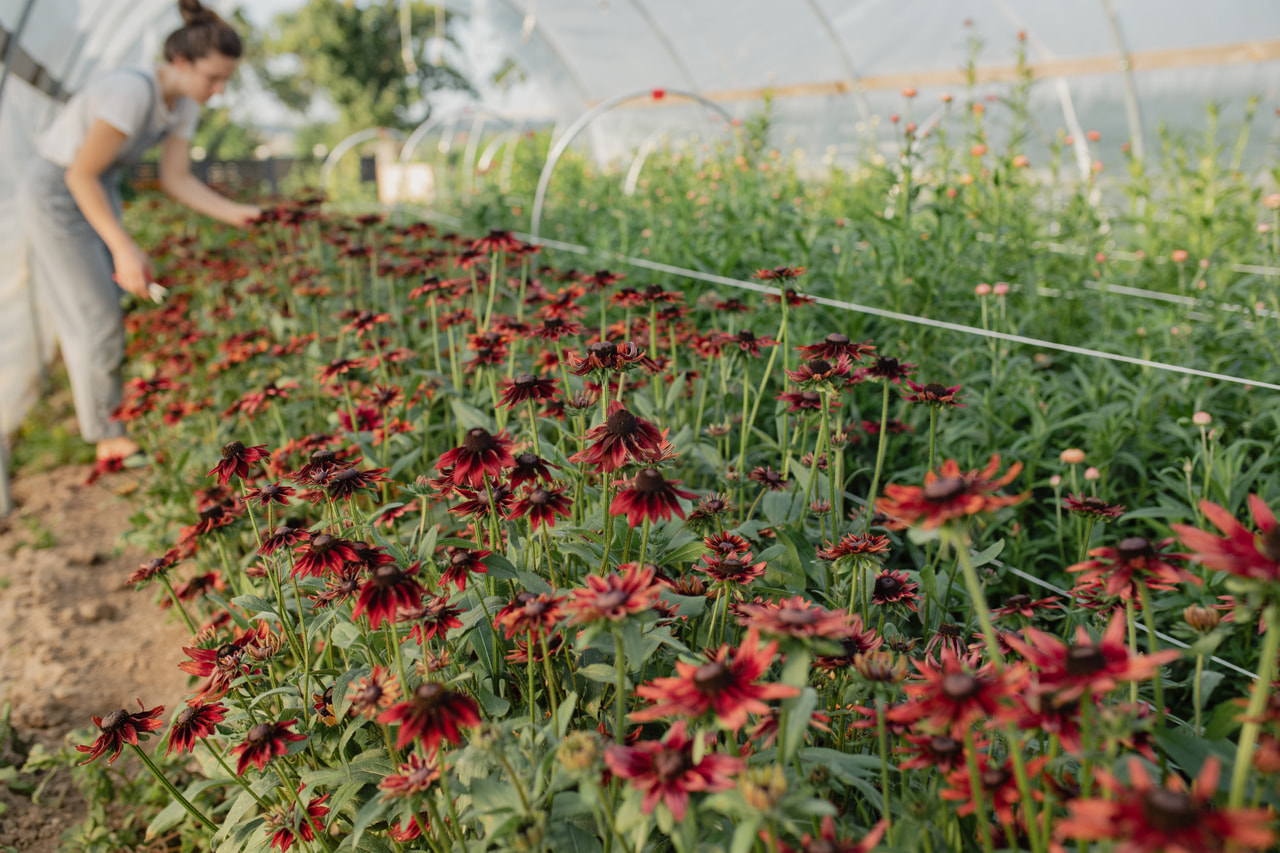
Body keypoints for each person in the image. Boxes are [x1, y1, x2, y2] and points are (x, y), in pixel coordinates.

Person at [19, 0, 260, 464]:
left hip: (95, 186)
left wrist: (241, 215)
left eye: (226, 79)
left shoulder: (183, 104)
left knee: (112, 299)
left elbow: (177, 179)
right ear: (181, 62)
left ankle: (111, 418)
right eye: (213, 77)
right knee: (96, 311)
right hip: (58, 190)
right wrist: (123, 246)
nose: (219, 89)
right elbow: (78, 175)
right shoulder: (129, 92)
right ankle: (108, 436)